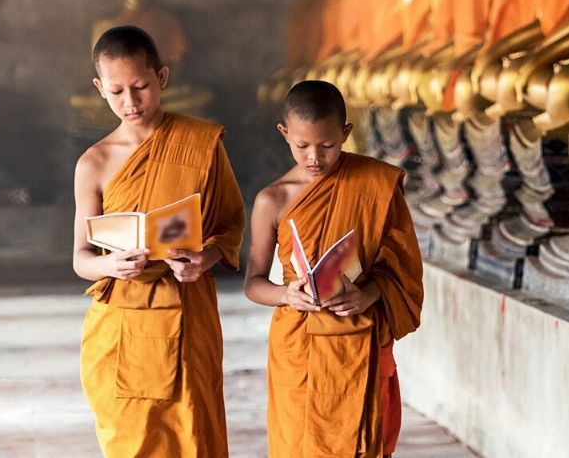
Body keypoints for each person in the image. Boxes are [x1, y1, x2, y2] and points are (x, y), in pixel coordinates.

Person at [71, 25, 246, 457]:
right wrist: (111, 266)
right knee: (132, 444)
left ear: (162, 78)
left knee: (193, 438)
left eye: (141, 87)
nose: (130, 102)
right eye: (116, 91)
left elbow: (229, 223)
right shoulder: (93, 163)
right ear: (99, 88)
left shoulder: (201, 143)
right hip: (122, 324)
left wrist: (203, 260)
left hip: (187, 314)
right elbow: (81, 257)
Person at [245, 80, 424, 458]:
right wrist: (285, 294)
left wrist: (369, 293)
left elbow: (401, 269)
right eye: (302, 145)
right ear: (284, 133)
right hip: (299, 346)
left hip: (358, 340)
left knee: (362, 443)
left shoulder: (377, 184)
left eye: (327, 145)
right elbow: (253, 283)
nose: (314, 157)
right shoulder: (272, 200)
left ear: (345, 133)